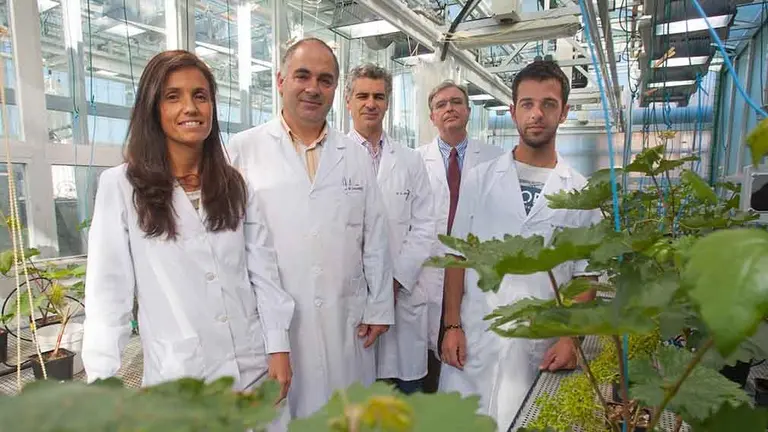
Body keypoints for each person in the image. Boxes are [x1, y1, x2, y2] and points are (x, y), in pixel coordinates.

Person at [81, 50, 294, 401]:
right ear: (153, 108)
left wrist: (279, 347)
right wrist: (102, 383)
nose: (190, 108)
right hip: (180, 375)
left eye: (200, 96)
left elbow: (264, 275)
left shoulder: (235, 185)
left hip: (251, 367)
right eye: (172, 96)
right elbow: (108, 296)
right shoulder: (120, 187)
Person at [228, 39, 394, 419]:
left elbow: (376, 234)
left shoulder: (353, 154)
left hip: (345, 318)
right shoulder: (242, 151)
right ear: (280, 80)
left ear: (336, 89)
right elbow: (231, 246)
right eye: (302, 76)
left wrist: (380, 305)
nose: (313, 88)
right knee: (284, 416)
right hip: (275, 327)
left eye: (325, 80)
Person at [437, 60, 602, 430]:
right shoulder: (478, 180)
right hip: (477, 336)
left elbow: (586, 276)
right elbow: (457, 257)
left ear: (564, 112)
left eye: (548, 104)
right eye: (527, 104)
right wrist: (451, 326)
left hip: (537, 346)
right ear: (512, 112)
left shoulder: (581, 192)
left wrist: (569, 337)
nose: (537, 114)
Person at [345, 64, 435, 394]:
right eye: (363, 95)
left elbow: (425, 225)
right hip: (352, 297)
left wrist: (393, 282)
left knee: (406, 400)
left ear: (387, 102)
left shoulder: (410, 161)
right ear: (348, 101)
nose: (371, 103)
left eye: (378, 96)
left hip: (403, 294)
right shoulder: (332, 159)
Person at [416, 80, 505, 393]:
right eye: (440, 105)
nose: (449, 108)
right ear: (432, 118)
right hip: (428, 274)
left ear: (468, 110)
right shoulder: (415, 161)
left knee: (470, 360)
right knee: (429, 362)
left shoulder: (497, 160)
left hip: (475, 273)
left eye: (455, 102)